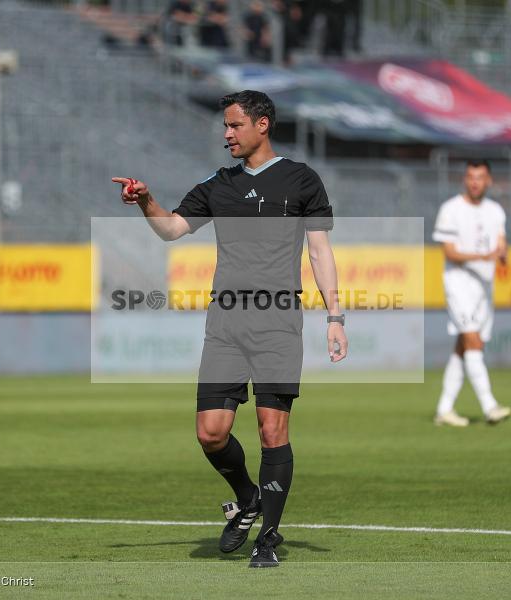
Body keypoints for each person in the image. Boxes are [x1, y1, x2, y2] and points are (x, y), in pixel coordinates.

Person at [111, 90, 347, 568]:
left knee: (271, 428)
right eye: (225, 126)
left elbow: (320, 252)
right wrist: (146, 201)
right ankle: (248, 496)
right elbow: (173, 230)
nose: (226, 135)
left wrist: (335, 316)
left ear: (262, 125)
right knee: (210, 433)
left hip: (278, 321)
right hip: (225, 322)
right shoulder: (218, 184)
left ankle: (268, 537)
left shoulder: (302, 180)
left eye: (234, 126)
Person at [432, 160, 511, 427]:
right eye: (470, 176)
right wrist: (483, 255)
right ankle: (490, 406)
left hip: (483, 289)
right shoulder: (451, 209)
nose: (475, 181)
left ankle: (444, 409)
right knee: (473, 341)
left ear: (489, 180)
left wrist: (502, 254)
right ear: (464, 180)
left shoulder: (496, 211)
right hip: (459, 285)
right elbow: (449, 252)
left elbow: (501, 245)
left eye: (480, 177)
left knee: (463, 347)